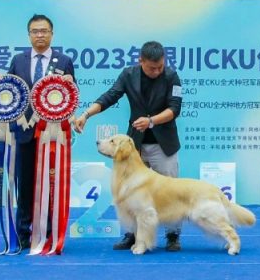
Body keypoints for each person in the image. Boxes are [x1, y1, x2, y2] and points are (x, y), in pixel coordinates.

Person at [74, 40, 184, 251]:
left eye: (160, 66)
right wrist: (86, 115)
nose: (157, 71)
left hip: (164, 144)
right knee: (132, 192)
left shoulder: (171, 76)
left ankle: (172, 235)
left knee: (171, 191)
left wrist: (151, 121)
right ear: (140, 61)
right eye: (152, 68)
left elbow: (175, 108)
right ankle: (132, 234)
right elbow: (110, 96)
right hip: (134, 147)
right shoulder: (128, 74)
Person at [5, 14, 76, 250]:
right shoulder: (18, 60)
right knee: (24, 184)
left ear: (52, 34)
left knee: (50, 184)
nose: (40, 35)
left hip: (52, 133)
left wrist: (69, 82)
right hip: (24, 130)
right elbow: (9, 90)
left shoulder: (64, 61)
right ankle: (23, 232)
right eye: (35, 31)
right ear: (29, 35)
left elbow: (71, 97)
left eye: (44, 31)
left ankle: (49, 232)